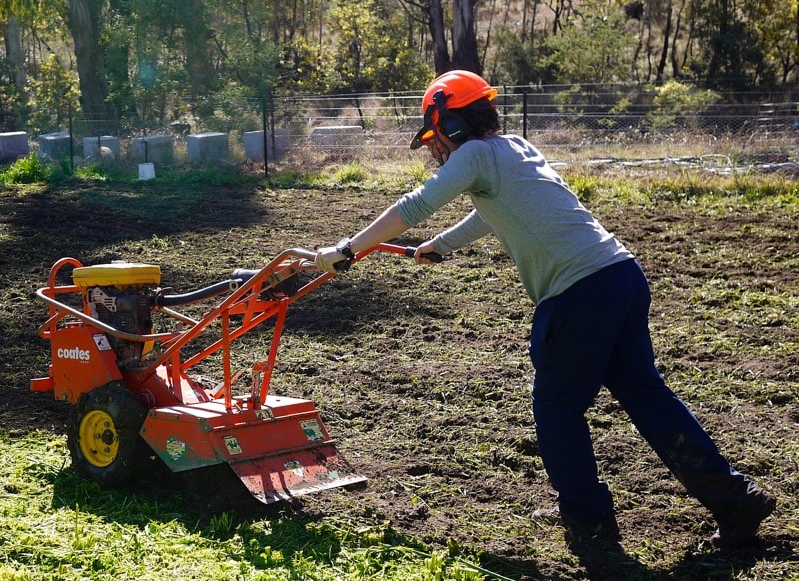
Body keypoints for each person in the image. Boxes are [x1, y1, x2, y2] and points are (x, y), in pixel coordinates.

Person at [314, 70, 776, 548]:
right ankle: (733, 498)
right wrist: (443, 246)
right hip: (620, 275)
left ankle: (585, 514)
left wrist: (347, 248)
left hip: (578, 292)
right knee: (647, 397)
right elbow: (489, 213)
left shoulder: (472, 154)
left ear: (451, 125)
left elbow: (413, 206)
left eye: (436, 137)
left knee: (557, 407)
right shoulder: (515, 147)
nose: (437, 150)